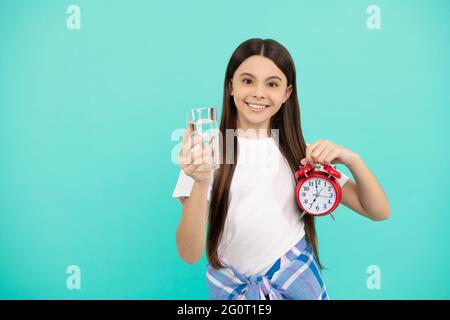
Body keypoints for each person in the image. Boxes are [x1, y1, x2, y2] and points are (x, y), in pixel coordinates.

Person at [172, 38, 390, 300]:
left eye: (272, 84)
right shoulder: (205, 154)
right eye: (247, 81)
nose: (259, 93)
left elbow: (377, 211)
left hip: (296, 282)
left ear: (287, 93)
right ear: (231, 86)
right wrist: (199, 181)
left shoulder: (300, 153)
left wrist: (353, 159)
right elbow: (189, 254)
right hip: (234, 289)